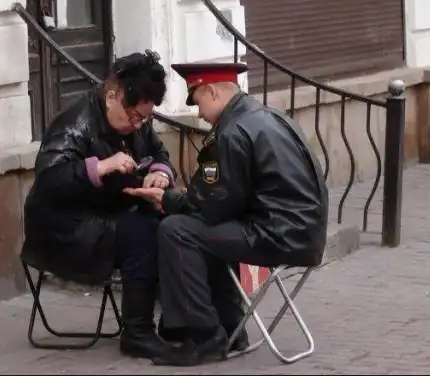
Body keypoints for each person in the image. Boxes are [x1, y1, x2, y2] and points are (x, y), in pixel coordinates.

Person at [124, 62, 329, 366]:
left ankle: (204, 336)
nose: (199, 113)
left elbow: (212, 205)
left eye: (198, 101)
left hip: (277, 235)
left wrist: (167, 200)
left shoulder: (231, 133)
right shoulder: (270, 117)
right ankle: (230, 325)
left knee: (177, 230)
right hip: (303, 232)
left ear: (213, 91)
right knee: (210, 232)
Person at [22, 50, 176, 359]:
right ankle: (137, 333)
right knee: (141, 234)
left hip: (106, 212)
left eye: (144, 118)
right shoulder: (73, 123)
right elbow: (50, 178)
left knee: (171, 224)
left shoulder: (136, 122)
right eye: (134, 116)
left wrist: (160, 174)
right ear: (112, 97)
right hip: (64, 227)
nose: (138, 125)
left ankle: (176, 322)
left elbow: (159, 154)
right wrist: (101, 167)